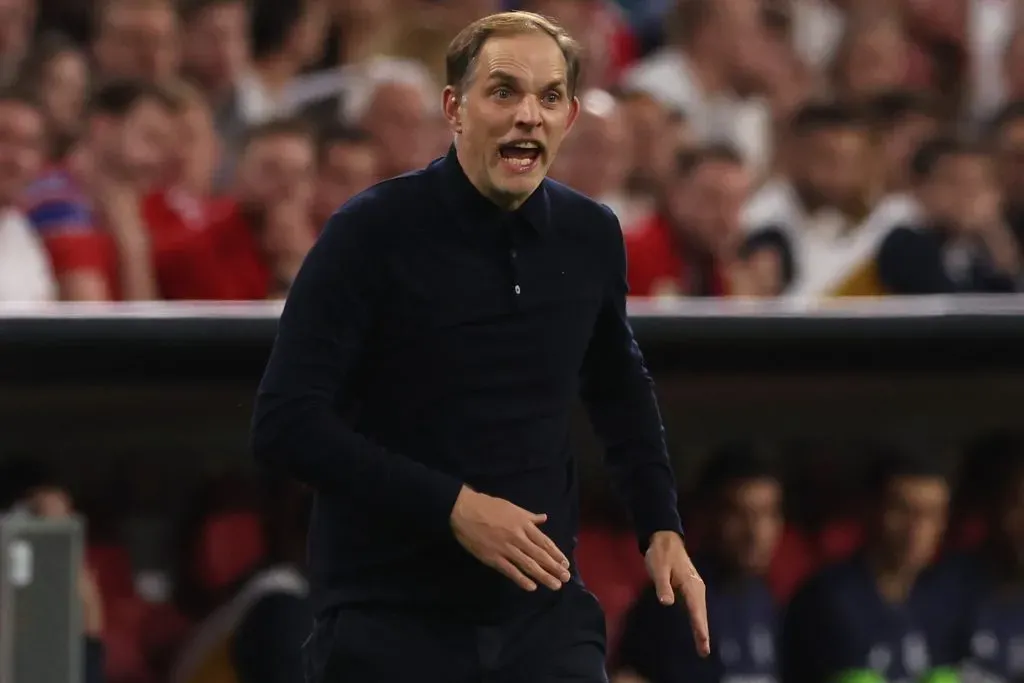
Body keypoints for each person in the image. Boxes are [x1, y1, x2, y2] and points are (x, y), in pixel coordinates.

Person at [251, 11, 708, 683]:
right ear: (454, 109)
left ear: (571, 116)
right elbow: (285, 426)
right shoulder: (368, 234)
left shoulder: (590, 235)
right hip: (390, 620)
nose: (529, 114)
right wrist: (454, 507)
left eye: (549, 96)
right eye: (504, 92)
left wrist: (661, 525)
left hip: (542, 622)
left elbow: (619, 388)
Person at [781, 448, 962, 683]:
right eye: (903, 511)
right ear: (869, 510)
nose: (916, 529)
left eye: (932, 515)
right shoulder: (827, 598)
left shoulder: (942, 599)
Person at [614, 446, 783, 683]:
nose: (755, 533)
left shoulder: (768, 601)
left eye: (768, 514)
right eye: (739, 514)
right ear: (707, 516)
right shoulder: (668, 600)